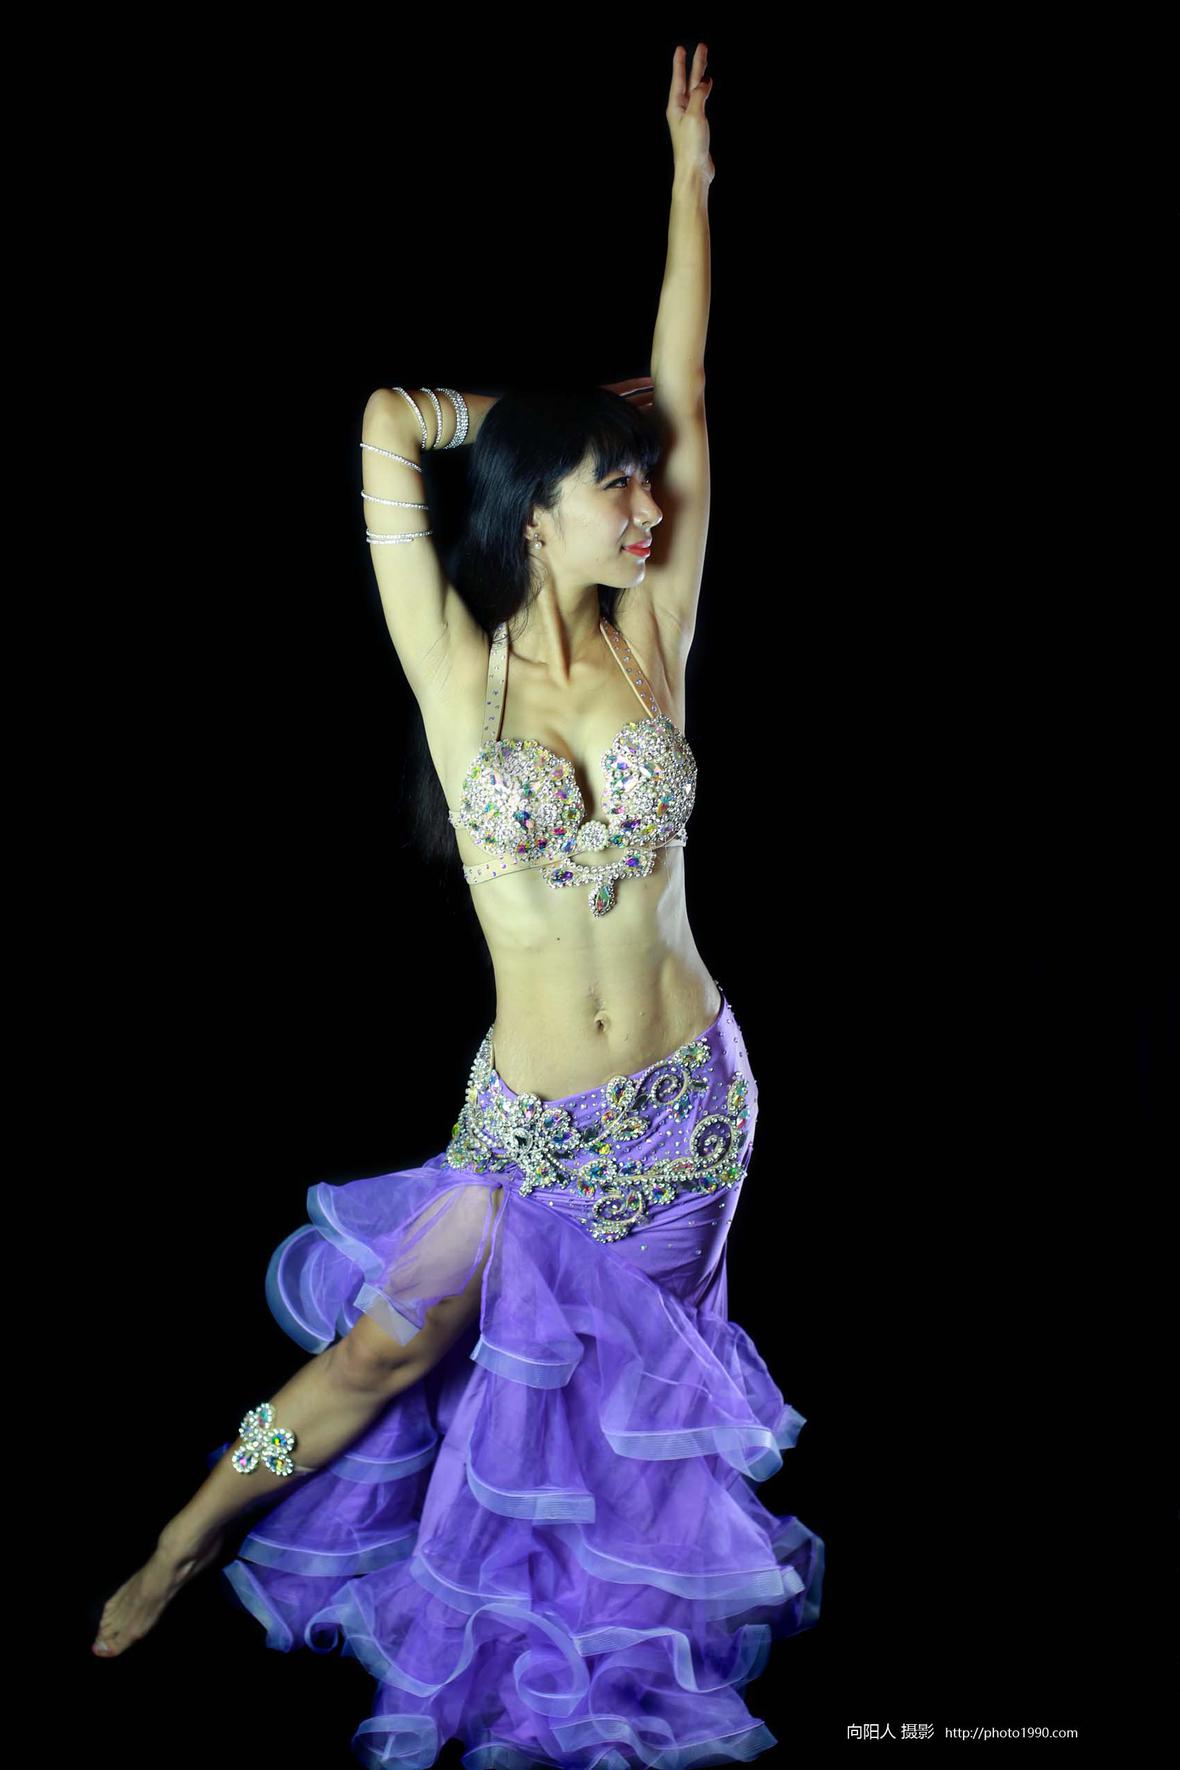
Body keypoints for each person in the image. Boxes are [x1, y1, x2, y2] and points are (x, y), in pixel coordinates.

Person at [91, 43, 824, 1767]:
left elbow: (684, 380)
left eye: (645, 483)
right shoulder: (457, 672)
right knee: (374, 1353)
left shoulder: (655, 634)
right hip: (527, 1137)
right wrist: (542, 419)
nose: (647, 503)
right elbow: (385, 419)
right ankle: (184, 1534)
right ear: (538, 511)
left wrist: (689, 177)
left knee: (622, 1440)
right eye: (610, 484)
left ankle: (597, 1672)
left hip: (692, 1112)